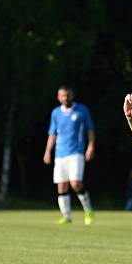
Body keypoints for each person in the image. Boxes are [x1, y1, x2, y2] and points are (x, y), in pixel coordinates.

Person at [43, 85, 95, 225]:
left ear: (72, 95)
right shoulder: (56, 113)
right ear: (59, 97)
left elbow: (90, 129)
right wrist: (48, 151)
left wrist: (90, 146)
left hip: (76, 153)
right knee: (61, 186)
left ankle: (88, 210)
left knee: (75, 183)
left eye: (68, 95)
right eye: (63, 96)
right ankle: (66, 216)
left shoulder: (82, 110)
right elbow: (52, 134)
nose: (66, 98)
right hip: (60, 154)